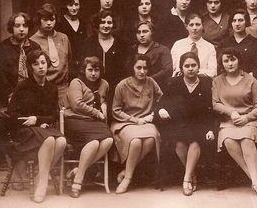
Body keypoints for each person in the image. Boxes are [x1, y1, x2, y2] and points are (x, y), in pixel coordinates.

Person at [7, 50, 66, 203]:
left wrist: (38, 120)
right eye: (36, 64)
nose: (40, 67)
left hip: (42, 128)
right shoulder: (23, 86)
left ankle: (41, 175)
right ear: (30, 67)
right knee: (50, 141)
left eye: (43, 63)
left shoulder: (52, 88)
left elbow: (53, 115)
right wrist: (29, 120)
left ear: (47, 65)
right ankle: (42, 185)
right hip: (23, 130)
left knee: (61, 142)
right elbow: (11, 112)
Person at [0, 12, 41, 190]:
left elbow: (38, 74)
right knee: (1, 127)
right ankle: (18, 167)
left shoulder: (34, 46)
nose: (21, 29)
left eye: (25, 26)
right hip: (9, 98)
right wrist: (13, 98)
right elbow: (1, 77)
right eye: (17, 25)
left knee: (36, 127)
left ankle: (33, 167)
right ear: (11, 27)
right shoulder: (1, 48)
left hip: (32, 98)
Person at [212, 47, 257, 199]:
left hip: (250, 120)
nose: (230, 63)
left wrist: (247, 118)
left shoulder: (251, 80)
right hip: (229, 121)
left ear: (239, 60)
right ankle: (255, 180)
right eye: (226, 60)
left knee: (246, 138)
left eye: (233, 59)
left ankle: (256, 182)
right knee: (228, 140)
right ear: (221, 63)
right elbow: (216, 103)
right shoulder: (217, 81)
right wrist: (231, 112)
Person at [158, 52, 214, 196]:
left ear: (199, 67)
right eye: (187, 66)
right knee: (180, 144)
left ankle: (186, 179)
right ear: (181, 68)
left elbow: (210, 109)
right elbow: (162, 104)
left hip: (199, 123)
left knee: (195, 141)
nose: (190, 69)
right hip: (178, 123)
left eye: (193, 65)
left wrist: (210, 129)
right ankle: (192, 174)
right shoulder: (173, 83)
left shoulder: (207, 84)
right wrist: (162, 110)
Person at [110, 54, 163, 194]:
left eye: (145, 68)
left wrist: (154, 114)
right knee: (135, 142)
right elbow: (116, 110)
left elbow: (162, 99)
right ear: (132, 68)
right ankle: (128, 178)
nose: (142, 71)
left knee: (152, 138)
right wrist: (135, 120)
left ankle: (126, 171)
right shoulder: (122, 85)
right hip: (125, 122)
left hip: (145, 121)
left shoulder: (151, 82)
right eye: (138, 67)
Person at [63, 56, 113, 198]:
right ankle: (78, 181)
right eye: (90, 70)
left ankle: (78, 170)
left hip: (94, 122)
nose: (93, 73)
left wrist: (103, 107)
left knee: (108, 140)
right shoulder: (76, 82)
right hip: (75, 119)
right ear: (83, 70)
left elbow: (103, 102)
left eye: (96, 70)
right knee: (94, 142)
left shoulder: (104, 84)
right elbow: (76, 104)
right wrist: (97, 112)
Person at [30, 3, 72, 107]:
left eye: (52, 19)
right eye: (45, 19)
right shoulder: (32, 41)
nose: (49, 23)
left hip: (63, 89)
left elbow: (69, 61)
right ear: (39, 19)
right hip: (43, 90)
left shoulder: (64, 38)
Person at [82, 10, 128, 89]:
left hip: (115, 87)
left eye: (109, 23)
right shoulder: (89, 43)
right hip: (92, 87)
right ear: (97, 24)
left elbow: (124, 69)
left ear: (113, 24)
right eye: (102, 22)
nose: (106, 26)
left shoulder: (120, 44)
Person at [128, 21, 172, 90]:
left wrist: (148, 80)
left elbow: (167, 70)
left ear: (152, 32)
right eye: (139, 32)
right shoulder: (132, 50)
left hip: (155, 88)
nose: (141, 35)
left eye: (145, 31)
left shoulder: (162, 49)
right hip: (133, 89)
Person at [171, 12, 217, 78]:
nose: (195, 28)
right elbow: (174, 69)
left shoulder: (209, 47)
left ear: (203, 26)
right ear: (186, 26)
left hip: (202, 83)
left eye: (197, 24)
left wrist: (189, 72)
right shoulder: (177, 45)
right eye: (191, 25)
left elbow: (213, 72)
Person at [56, 0, 86, 78]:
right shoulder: (59, 23)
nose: (74, 8)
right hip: (66, 65)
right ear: (65, 6)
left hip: (81, 64)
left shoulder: (83, 23)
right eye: (70, 5)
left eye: (76, 4)